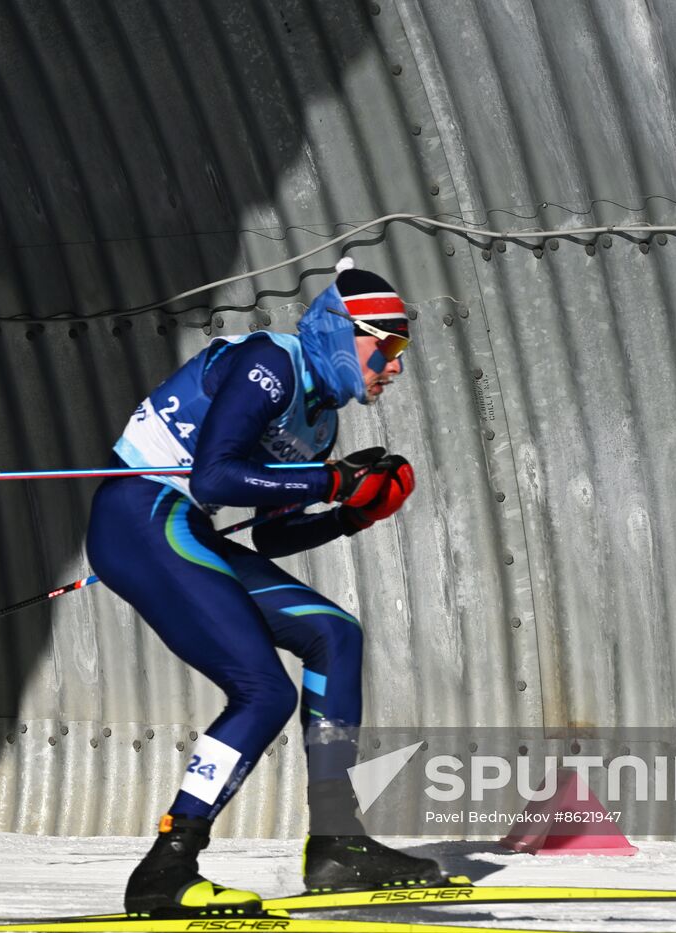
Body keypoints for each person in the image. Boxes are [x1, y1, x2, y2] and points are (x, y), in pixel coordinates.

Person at [86, 262, 443, 915]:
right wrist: (332, 484)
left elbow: (274, 538)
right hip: (138, 515)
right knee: (264, 690)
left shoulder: (323, 424)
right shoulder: (270, 363)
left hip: (180, 524)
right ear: (340, 332)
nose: (394, 364)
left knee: (335, 633)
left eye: (402, 350)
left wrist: (350, 515)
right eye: (383, 345)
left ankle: (337, 842)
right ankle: (167, 867)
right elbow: (216, 479)